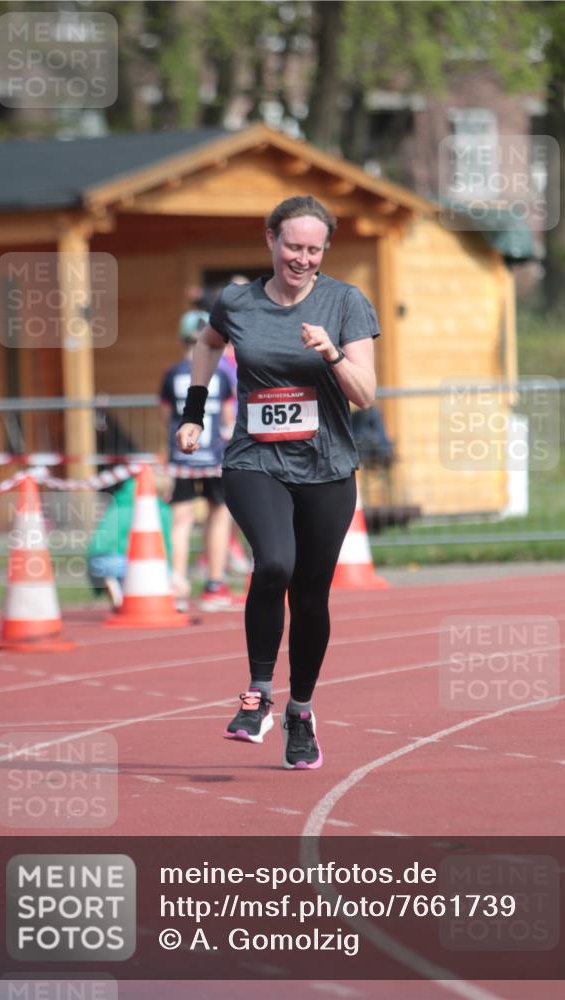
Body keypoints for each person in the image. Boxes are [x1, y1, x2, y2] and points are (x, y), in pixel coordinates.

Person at [176, 195, 379, 769]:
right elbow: (208, 344)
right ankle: (258, 694)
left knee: (311, 596)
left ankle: (301, 712)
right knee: (273, 565)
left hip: (328, 466)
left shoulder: (346, 302)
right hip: (254, 460)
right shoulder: (237, 302)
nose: (303, 258)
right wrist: (194, 413)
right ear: (270, 239)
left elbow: (366, 395)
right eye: (294, 246)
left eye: (314, 249)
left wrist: (332, 353)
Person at [160, 310, 237, 611]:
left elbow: (166, 418)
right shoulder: (221, 375)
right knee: (218, 516)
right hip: (215, 455)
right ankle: (214, 584)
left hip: (182, 456)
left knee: (181, 520)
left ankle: (177, 584)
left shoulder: (171, 374)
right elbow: (229, 419)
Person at [87, 475, 173, 609]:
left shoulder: (115, 504)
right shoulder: (160, 510)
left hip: (95, 560)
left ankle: (117, 590)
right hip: (123, 562)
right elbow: (163, 546)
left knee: (122, 581)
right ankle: (127, 595)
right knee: (168, 582)